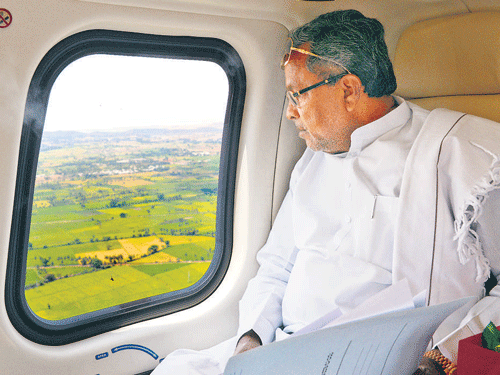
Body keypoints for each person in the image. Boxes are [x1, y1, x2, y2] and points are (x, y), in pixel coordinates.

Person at [152, 10, 500, 375]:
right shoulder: (311, 161)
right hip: (281, 351)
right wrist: (249, 341)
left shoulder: (460, 155)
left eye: (296, 96)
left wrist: (443, 356)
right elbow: (276, 266)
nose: (290, 114)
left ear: (348, 90)